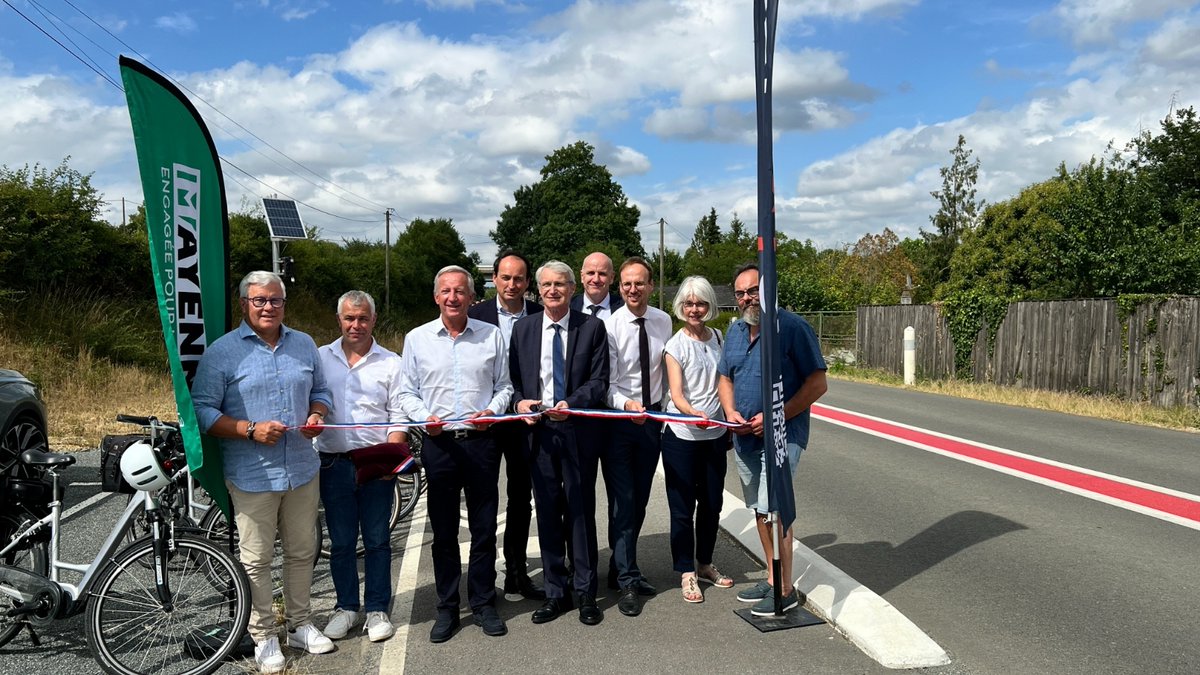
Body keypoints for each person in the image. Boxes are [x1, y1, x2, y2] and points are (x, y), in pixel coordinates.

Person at [191, 270, 333, 674]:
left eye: (275, 300)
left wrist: (317, 414)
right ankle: (264, 635)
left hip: (301, 468)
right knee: (256, 559)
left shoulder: (304, 344)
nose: (268, 307)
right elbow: (201, 410)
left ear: (284, 303)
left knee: (302, 551)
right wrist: (248, 429)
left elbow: (321, 391)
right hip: (252, 473)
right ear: (244, 304)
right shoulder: (222, 352)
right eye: (260, 300)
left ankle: (300, 624)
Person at [398, 265, 513, 643]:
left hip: (481, 443)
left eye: (460, 291)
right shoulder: (417, 339)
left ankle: (483, 602)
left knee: (483, 529)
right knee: (444, 531)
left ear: (471, 297)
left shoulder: (491, 335)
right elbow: (405, 392)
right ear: (436, 297)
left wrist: (493, 410)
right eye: (446, 291)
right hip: (440, 445)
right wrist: (422, 417)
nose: (453, 297)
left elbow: (505, 386)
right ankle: (447, 607)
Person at [717, 262, 828, 617]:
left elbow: (817, 384)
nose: (747, 298)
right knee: (759, 509)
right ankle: (772, 576)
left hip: (783, 435)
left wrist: (777, 415)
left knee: (774, 509)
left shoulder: (792, 328)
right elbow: (725, 378)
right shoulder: (735, 331)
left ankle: (784, 589)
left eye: (753, 290)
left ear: (768, 291)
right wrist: (730, 411)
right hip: (745, 438)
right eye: (741, 293)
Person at [509, 261, 609, 626]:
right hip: (538, 432)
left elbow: (599, 380)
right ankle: (555, 592)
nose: (553, 290)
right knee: (548, 511)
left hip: (577, 429)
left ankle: (586, 591)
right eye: (547, 285)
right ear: (538, 290)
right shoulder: (523, 329)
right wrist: (519, 402)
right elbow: (513, 380)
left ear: (572, 289)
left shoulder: (591, 327)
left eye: (561, 284)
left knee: (580, 511)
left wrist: (573, 402)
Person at [315, 291, 404, 643]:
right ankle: (346, 608)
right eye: (350, 318)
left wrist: (392, 459)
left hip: (376, 465)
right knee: (341, 542)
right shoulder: (320, 357)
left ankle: (377, 609)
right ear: (339, 319)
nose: (356, 325)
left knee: (378, 540)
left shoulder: (391, 363)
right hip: (333, 464)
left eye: (363, 318)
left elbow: (398, 415)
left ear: (374, 320)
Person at [467, 251, 545, 602]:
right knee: (483, 498)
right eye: (506, 277)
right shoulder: (475, 315)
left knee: (520, 498)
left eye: (519, 278)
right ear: (494, 279)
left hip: (524, 420)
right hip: (485, 420)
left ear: (527, 282)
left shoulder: (540, 314)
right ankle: (481, 579)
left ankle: (516, 571)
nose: (512, 284)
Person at [602, 256, 673, 617]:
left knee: (640, 500)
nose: (633, 289)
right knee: (624, 501)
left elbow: (669, 371)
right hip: (620, 422)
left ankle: (619, 567)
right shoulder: (610, 326)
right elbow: (607, 383)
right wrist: (627, 404)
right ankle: (628, 579)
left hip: (651, 421)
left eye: (640, 283)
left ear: (650, 286)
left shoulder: (663, 321)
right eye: (627, 284)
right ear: (620, 287)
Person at [662, 276, 735, 603]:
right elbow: (677, 395)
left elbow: (726, 381)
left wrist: (725, 417)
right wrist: (694, 414)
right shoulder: (675, 345)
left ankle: (704, 563)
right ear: (681, 306)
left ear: (710, 306)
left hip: (715, 434)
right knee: (682, 506)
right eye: (689, 303)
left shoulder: (718, 337)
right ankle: (685, 571)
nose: (695, 309)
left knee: (712, 503)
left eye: (701, 303)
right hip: (682, 434)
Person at [570, 251, 623, 319]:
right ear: (582, 277)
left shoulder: (625, 307)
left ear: (611, 278)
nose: (596, 280)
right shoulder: (567, 306)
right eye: (591, 273)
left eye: (602, 274)